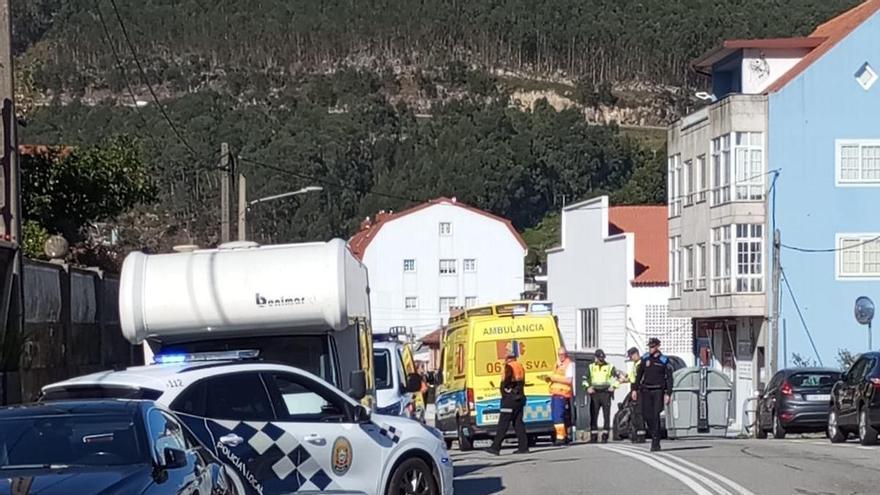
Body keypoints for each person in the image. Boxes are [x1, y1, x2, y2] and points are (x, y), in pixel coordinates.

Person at [632, 337, 674, 452]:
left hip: (658, 391)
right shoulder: (645, 359)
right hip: (646, 390)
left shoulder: (664, 360)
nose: (650, 349)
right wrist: (634, 389)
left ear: (657, 347)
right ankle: (654, 433)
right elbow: (639, 375)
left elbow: (669, 378)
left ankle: (656, 441)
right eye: (649, 347)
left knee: (655, 416)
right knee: (646, 415)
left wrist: (668, 393)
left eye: (652, 347)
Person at [487, 350, 529, 455]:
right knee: (518, 423)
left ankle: (495, 447)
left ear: (508, 359)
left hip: (509, 400)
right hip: (520, 398)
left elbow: (506, 383)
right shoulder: (520, 366)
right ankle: (523, 447)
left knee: (503, 424)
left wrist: (505, 392)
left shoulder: (509, 367)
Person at [582, 349, 618, 443]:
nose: (601, 360)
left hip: (606, 393)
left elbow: (618, 377)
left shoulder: (610, 366)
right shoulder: (591, 367)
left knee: (606, 415)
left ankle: (605, 435)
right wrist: (587, 388)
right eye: (599, 358)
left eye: (602, 358)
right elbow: (584, 379)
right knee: (594, 414)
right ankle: (593, 436)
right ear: (596, 358)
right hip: (595, 393)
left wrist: (613, 386)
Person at [542, 346, 574, 446]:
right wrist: (549, 379)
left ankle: (560, 438)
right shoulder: (557, 364)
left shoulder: (568, 365)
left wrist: (554, 378)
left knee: (558, 416)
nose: (561, 356)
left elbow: (569, 380)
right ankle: (563, 436)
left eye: (563, 354)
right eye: (559, 354)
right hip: (555, 393)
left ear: (566, 354)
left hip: (562, 394)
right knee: (556, 417)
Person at [625, 346, 646, 443]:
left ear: (636, 354)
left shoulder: (641, 364)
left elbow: (638, 379)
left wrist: (635, 390)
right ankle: (637, 434)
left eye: (631, 356)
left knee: (639, 413)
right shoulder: (635, 364)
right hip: (635, 389)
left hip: (640, 390)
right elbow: (632, 378)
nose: (630, 358)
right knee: (635, 413)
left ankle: (641, 435)